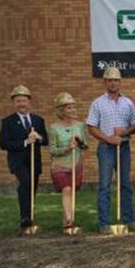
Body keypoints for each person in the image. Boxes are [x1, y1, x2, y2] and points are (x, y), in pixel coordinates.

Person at [86, 67, 135, 234]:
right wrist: (108, 138)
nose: (113, 83)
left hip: (123, 147)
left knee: (125, 184)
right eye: (110, 80)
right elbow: (91, 127)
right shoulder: (97, 103)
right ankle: (104, 223)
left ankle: (128, 219)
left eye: (116, 80)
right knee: (105, 186)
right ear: (105, 82)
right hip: (106, 148)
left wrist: (124, 132)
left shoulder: (128, 103)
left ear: (120, 82)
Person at [0, 85, 48, 234]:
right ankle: (24, 218)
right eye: (18, 101)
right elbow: (3, 143)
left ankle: (30, 217)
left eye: (24, 100)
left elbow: (45, 140)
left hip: (34, 161)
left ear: (29, 102)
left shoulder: (38, 120)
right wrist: (25, 142)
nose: (21, 104)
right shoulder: (8, 121)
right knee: (25, 183)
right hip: (18, 161)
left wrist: (38, 138)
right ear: (14, 103)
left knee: (32, 188)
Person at [48, 92, 89, 230]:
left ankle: (66, 219)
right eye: (69, 108)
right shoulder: (54, 128)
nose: (73, 110)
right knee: (66, 189)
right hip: (59, 166)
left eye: (73, 107)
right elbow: (52, 150)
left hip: (75, 164)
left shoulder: (80, 126)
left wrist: (79, 141)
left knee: (71, 191)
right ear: (61, 111)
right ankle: (69, 219)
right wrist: (67, 148)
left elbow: (86, 146)